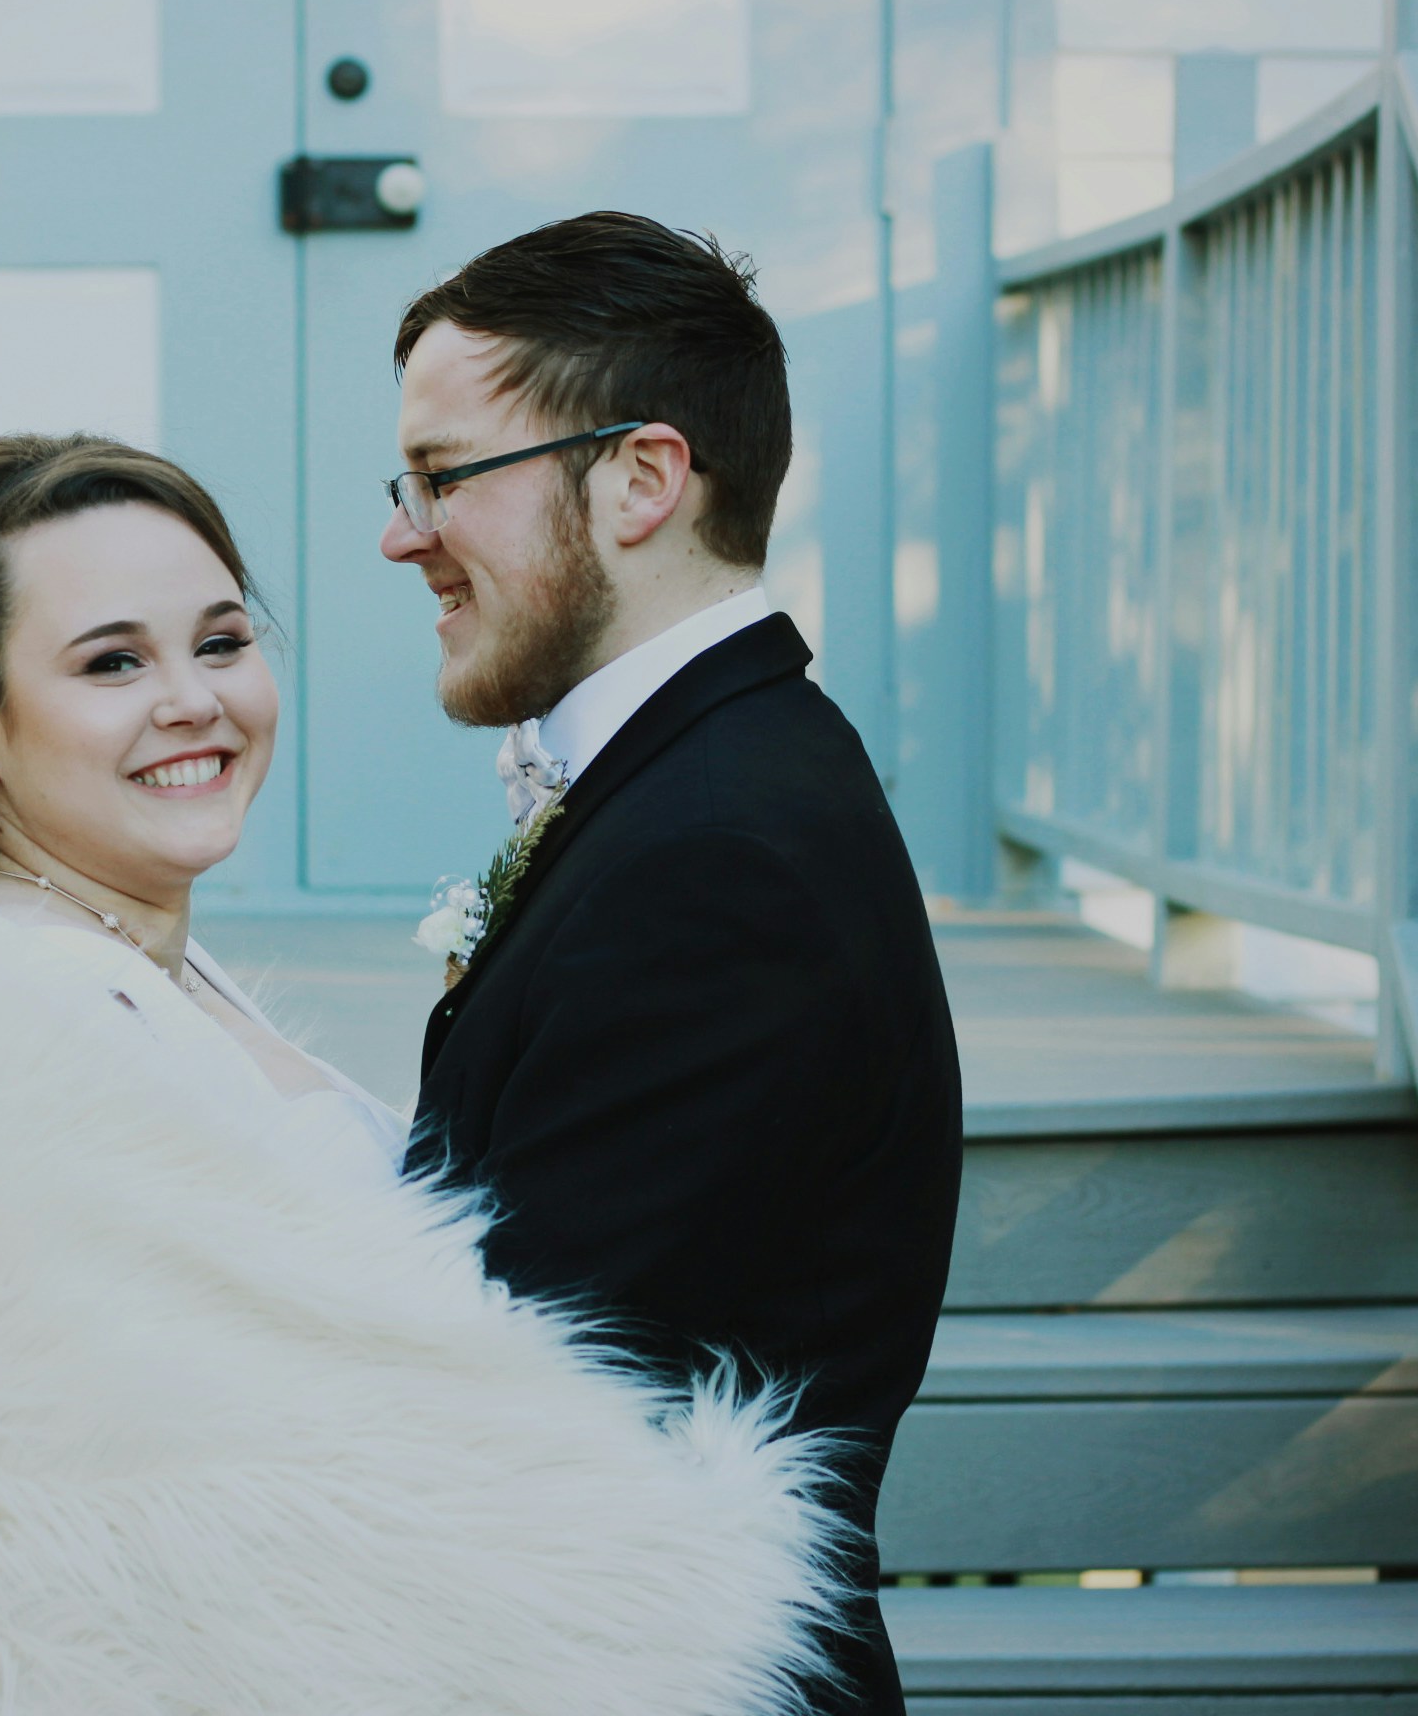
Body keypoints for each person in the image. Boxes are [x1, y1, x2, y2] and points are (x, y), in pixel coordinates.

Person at [0, 434, 843, 1714]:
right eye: (111, 663)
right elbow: (65, 1551)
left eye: (220, 641)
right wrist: (661, 1555)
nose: (193, 701)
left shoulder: (127, 971)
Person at [388, 214, 964, 1716]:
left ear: (641, 477)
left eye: (443, 478)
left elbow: (535, 1389)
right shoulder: (709, 775)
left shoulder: (722, 860)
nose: (404, 532)